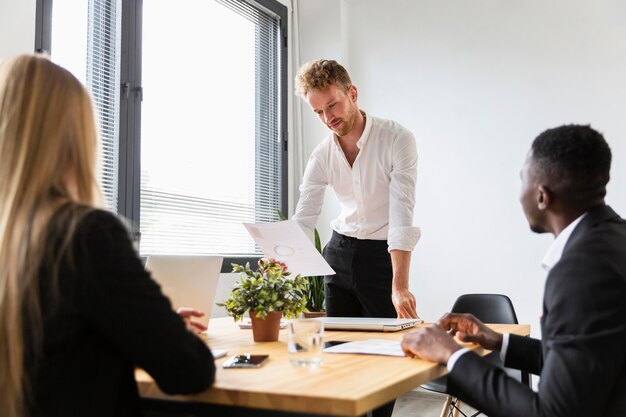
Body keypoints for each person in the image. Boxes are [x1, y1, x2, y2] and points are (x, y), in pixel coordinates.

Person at [0, 55, 215, 417]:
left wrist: (146, 326)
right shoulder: (85, 235)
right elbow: (190, 372)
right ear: (75, 140)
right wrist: (166, 337)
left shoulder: (15, 237)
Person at [401, 125, 626, 417]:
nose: (519, 193)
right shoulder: (616, 240)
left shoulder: (579, 271)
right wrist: (497, 340)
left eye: (522, 180)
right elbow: (586, 361)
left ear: (542, 196)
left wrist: (452, 355)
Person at [293, 59, 421, 321]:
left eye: (332, 105)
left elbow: (401, 213)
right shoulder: (321, 156)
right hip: (339, 253)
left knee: (385, 348)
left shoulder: (397, 139)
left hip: (380, 256)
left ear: (352, 93)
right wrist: (280, 267)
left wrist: (400, 287)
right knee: (336, 349)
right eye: (318, 112)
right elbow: (304, 220)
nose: (328, 118)